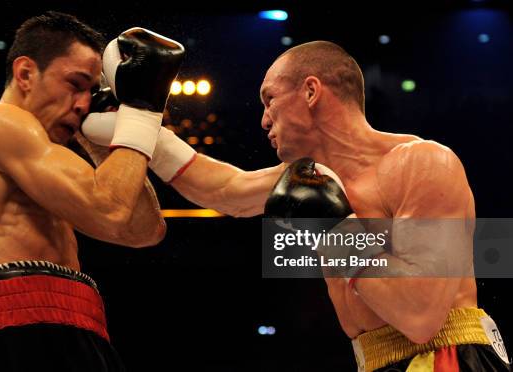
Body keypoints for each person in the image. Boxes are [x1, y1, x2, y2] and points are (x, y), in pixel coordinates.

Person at [83, 41, 510, 371]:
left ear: (310, 91)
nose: (263, 120)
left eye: (270, 99)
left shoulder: (424, 163)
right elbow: (224, 190)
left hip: (446, 357)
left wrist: (336, 232)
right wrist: (143, 125)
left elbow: (420, 317)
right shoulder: (309, 178)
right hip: (373, 358)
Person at [0, 11, 184, 371]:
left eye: (91, 92)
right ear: (25, 74)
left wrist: (99, 143)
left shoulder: (43, 157)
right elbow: (111, 212)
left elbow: (141, 230)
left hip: (81, 322)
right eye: (75, 84)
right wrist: (141, 110)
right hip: (11, 328)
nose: (84, 104)